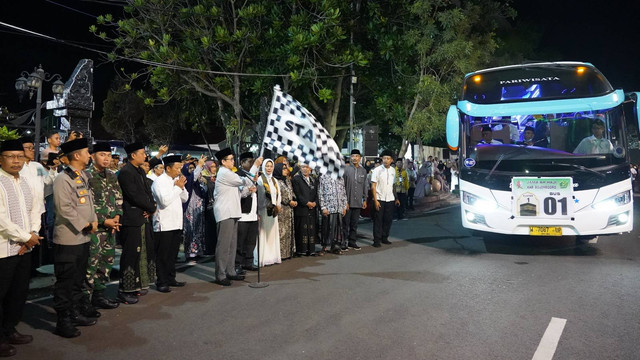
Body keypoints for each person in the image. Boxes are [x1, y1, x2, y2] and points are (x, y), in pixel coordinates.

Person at [52, 138, 99, 338]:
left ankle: (74, 313)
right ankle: (62, 321)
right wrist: (86, 224)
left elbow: (89, 203)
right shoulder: (63, 178)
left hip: (84, 237)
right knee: (66, 282)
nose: (90, 155)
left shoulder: (82, 176)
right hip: (68, 239)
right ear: (77, 155)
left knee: (77, 280)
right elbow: (64, 209)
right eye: (87, 152)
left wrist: (94, 220)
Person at [0, 139, 41, 356]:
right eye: (10, 156)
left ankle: (9, 329)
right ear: (1, 159)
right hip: (3, 250)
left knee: (18, 292)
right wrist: (26, 237)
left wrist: (32, 235)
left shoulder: (25, 181)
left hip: (25, 248)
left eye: (19, 156)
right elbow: (2, 220)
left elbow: (36, 209)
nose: (16, 161)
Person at [83, 142, 122, 314]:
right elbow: (85, 205)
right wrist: (103, 220)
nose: (106, 158)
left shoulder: (112, 175)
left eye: (108, 155)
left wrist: (117, 216)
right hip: (94, 229)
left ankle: (99, 296)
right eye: (102, 155)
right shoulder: (86, 176)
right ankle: (85, 302)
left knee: (106, 263)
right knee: (90, 264)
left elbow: (118, 198)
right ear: (92, 156)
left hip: (110, 227)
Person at [117, 142, 157, 304]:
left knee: (143, 252)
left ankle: (138, 285)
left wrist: (151, 207)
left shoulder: (139, 170)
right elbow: (134, 195)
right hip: (131, 218)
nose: (145, 156)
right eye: (142, 153)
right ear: (133, 155)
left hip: (142, 217)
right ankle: (125, 290)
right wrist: (150, 206)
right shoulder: (125, 172)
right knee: (131, 254)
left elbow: (147, 192)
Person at [213, 148, 255, 286]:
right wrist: (254, 168)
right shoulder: (224, 173)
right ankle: (220, 274)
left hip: (234, 211)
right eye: (230, 159)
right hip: (225, 212)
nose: (233, 161)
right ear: (223, 161)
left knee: (232, 244)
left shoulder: (230, 174)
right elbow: (243, 181)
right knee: (224, 245)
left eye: (232, 159)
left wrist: (249, 190)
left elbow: (241, 193)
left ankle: (230, 271)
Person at [151, 155, 188, 293]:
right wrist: (177, 187)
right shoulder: (159, 182)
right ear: (168, 168)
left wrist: (181, 187)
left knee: (173, 254)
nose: (179, 171)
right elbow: (164, 201)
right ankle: (161, 281)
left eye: (180, 168)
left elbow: (185, 198)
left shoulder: (175, 181)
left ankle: (171, 278)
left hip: (176, 222)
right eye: (177, 168)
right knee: (163, 255)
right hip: (164, 224)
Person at [235, 152, 261, 272]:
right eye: (249, 162)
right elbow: (241, 193)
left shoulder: (254, 175)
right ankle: (237, 264)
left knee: (251, 241)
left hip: (253, 213)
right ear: (242, 163)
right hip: (243, 214)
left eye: (253, 162)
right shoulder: (238, 175)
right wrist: (249, 190)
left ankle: (248, 262)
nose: (251, 164)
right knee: (240, 242)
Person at [370, 150, 400, 247]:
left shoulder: (392, 170)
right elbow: (373, 186)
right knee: (378, 220)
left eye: (388, 158)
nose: (386, 160)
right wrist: (375, 200)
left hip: (390, 199)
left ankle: (385, 237)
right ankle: (376, 240)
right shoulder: (377, 170)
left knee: (388, 219)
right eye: (384, 158)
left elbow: (393, 185)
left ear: (391, 160)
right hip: (379, 198)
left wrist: (396, 198)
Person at [255, 158, 282, 267]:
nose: (269, 168)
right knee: (263, 234)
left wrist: (278, 205)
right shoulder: (260, 180)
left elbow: (278, 194)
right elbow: (259, 197)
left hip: (273, 211)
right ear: (263, 167)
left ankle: (273, 257)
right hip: (263, 210)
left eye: (271, 166)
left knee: (272, 234)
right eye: (267, 166)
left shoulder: (275, 180)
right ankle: (263, 258)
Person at [183, 156, 207, 263]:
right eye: (190, 169)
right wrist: (200, 165)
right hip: (189, 207)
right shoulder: (186, 179)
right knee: (189, 229)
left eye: (194, 168)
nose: (192, 171)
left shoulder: (197, 182)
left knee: (198, 229)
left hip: (198, 206)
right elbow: (192, 178)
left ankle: (198, 251)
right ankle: (190, 252)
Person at [291, 163, 319, 256]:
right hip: (302, 208)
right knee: (302, 230)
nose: (305, 169)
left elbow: (317, 193)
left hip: (312, 209)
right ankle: (301, 250)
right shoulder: (296, 179)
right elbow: (297, 194)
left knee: (311, 230)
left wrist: (315, 202)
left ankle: (311, 250)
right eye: (303, 167)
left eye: (307, 167)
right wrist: (307, 203)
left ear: (310, 168)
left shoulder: (313, 179)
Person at [342, 149, 368, 250]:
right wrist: (344, 202)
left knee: (354, 224)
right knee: (345, 224)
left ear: (360, 158)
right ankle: (343, 242)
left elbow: (365, 186)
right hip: (347, 202)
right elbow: (342, 186)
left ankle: (352, 241)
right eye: (352, 156)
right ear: (350, 157)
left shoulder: (363, 171)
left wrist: (365, 199)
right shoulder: (346, 170)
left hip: (358, 202)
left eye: (357, 156)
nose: (354, 158)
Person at [318, 173, 348, 254]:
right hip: (328, 208)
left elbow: (344, 193)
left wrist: (344, 206)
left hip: (339, 208)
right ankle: (324, 247)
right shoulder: (323, 177)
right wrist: (323, 207)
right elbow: (320, 193)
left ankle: (335, 247)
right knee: (327, 228)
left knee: (337, 229)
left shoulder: (340, 177)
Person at [274, 162, 296, 260]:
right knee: (281, 232)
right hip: (282, 209)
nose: (285, 171)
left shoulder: (287, 180)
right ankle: (281, 254)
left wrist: (294, 200)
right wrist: (288, 201)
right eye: (283, 169)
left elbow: (291, 191)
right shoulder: (276, 181)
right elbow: (278, 195)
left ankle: (288, 252)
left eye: (286, 169)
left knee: (288, 231)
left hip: (289, 210)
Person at [202, 159, 218, 256]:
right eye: (211, 167)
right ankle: (209, 248)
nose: (214, 168)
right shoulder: (205, 178)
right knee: (210, 228)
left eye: (215, 166)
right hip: (209, 206)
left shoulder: (216, 178)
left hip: (217, 205)